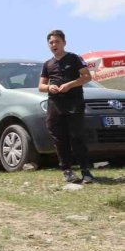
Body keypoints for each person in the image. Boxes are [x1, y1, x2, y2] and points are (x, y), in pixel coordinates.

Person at [39, 29, 94, 184]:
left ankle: (85, 171)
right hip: (55, 104)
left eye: (57, 41)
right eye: (51, 42)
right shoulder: (47, 64)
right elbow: (41, 86)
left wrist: (70, 84)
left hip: (74, 103)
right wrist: (49, 88)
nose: (54, 44)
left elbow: (87, 76)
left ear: (64, 42)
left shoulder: (74, 58)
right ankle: (67, 170)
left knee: (77, 136)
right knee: (59, 138)